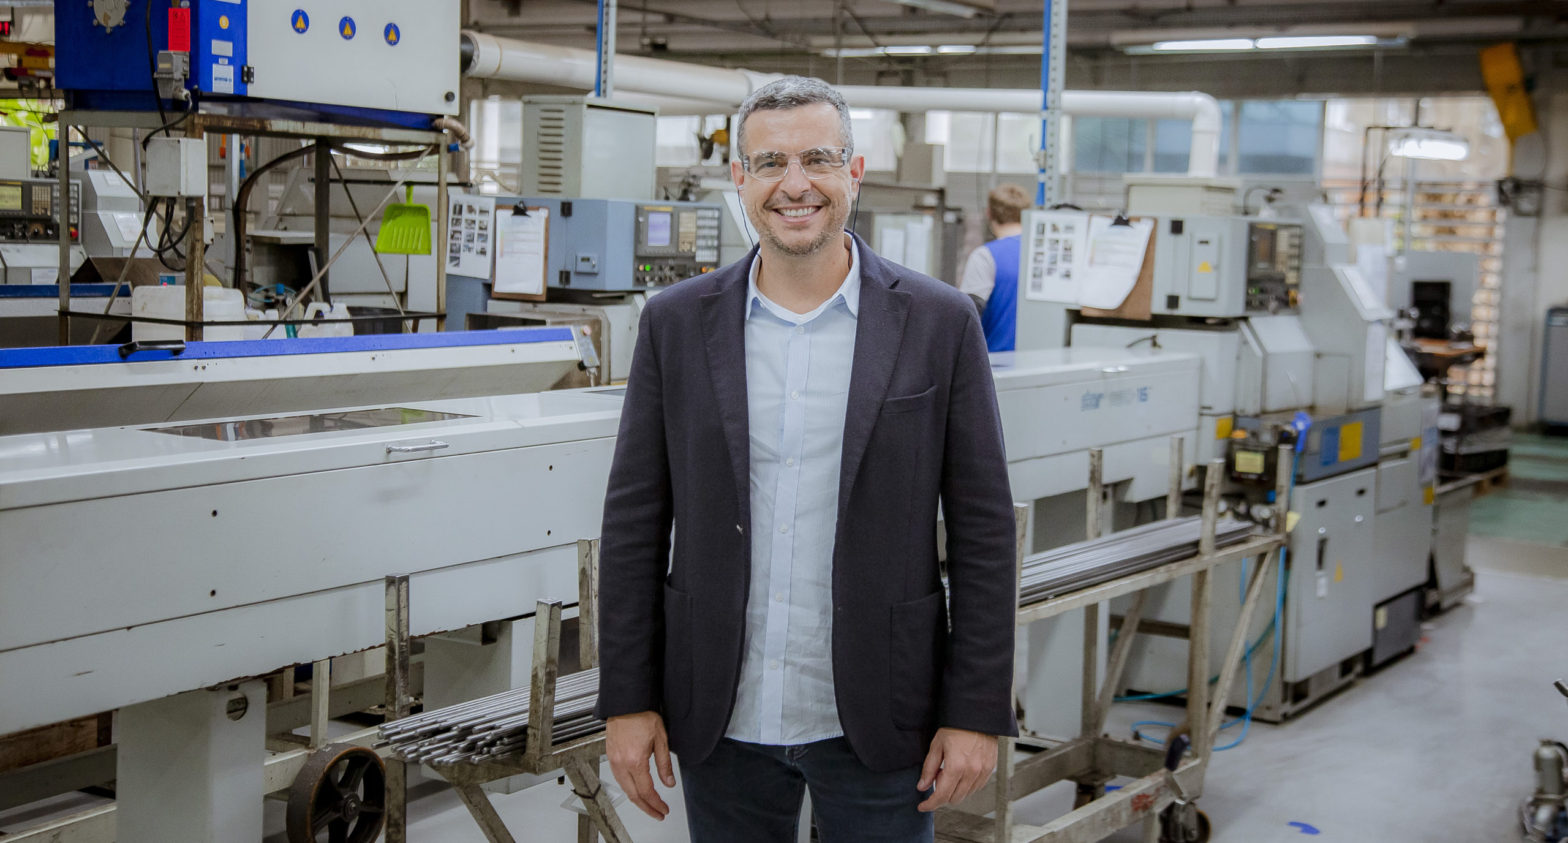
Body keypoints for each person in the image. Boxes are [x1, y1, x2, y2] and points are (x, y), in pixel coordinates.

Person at [594, 75, 1018, 843]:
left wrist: (975, 709)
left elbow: (984, 532)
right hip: (722, 708)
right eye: (770, 163)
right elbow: (633, 524)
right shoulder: (675, 325)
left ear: (854, 172)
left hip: (883, 711)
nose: (795, 185)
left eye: (818, 159)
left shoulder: (939, 323)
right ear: (740, 177)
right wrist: (628, 696)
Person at [959, 183, 1032, 352]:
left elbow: (966, 315)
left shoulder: (985, 256)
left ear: (989, 213)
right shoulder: (1041, 254)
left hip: (996, 359)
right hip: (1043, 359)